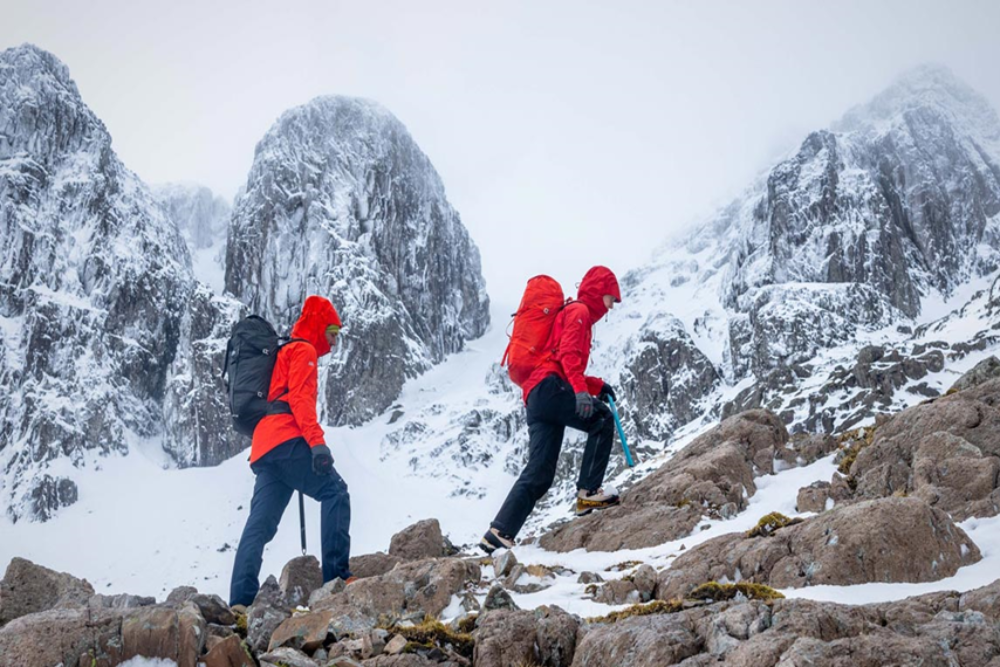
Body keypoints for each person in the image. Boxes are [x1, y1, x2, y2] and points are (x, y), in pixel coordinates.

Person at [481, 266, 623, 554]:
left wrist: (596, 386)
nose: (612, 306)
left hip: (535, 396)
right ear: (599, 292)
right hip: (550, 387)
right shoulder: (580, 311)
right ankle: (589, 492)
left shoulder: (573, 312)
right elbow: (568, 354)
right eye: (611, 298)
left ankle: (499, 532)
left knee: (541, 470)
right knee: (602, 419)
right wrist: (583, 392)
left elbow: (557, 357)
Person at [229, 295, 353, 607]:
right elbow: (299, 400)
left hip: (265, 447)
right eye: (333, 331)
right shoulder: (304, 350)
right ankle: (337, 578)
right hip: (286, 439)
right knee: (335, 492)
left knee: (260, 524)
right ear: (318, 324)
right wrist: (316, 445)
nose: (335, 340)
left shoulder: (285, 351)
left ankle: (240, 601)